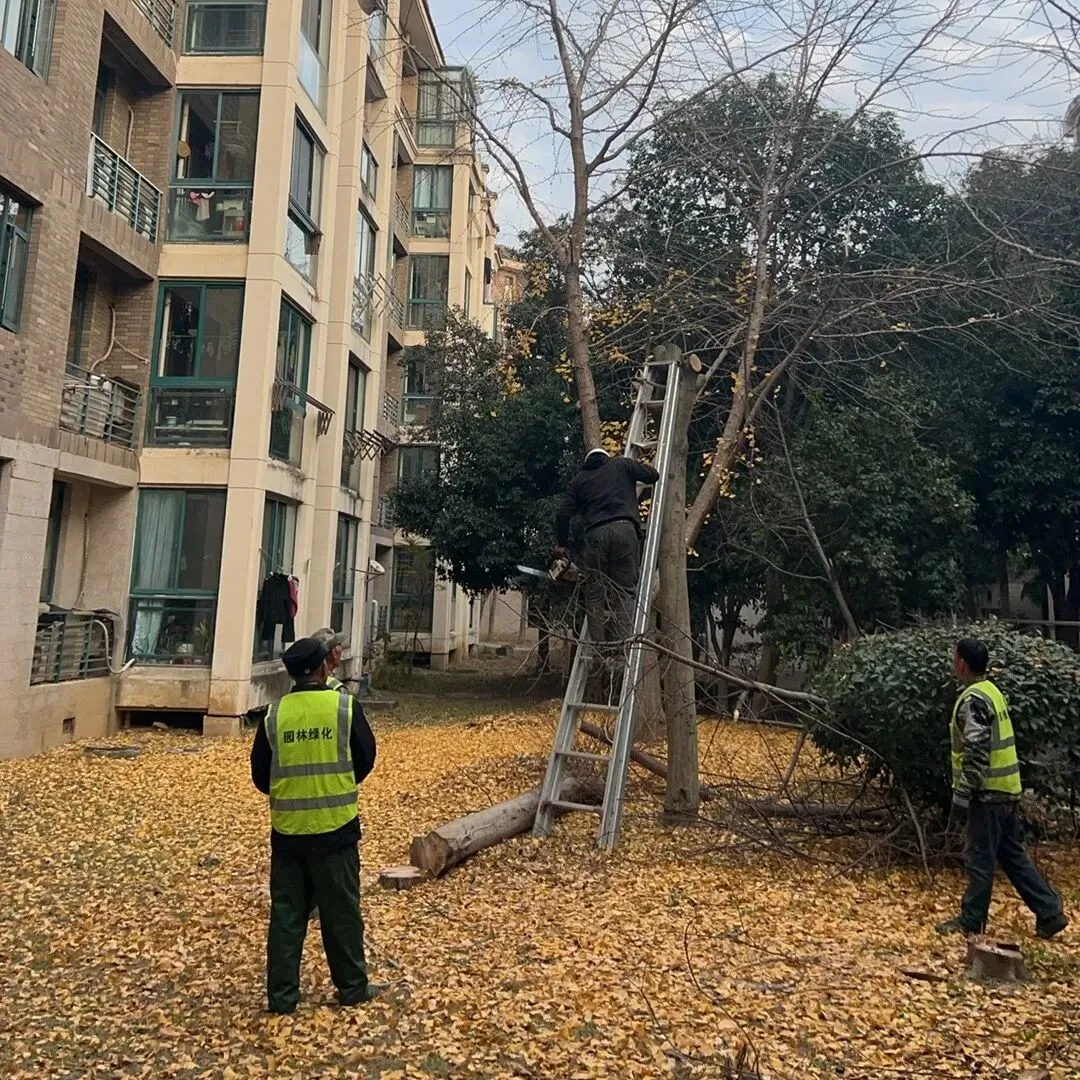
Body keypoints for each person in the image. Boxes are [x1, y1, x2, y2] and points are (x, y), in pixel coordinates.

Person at [250, 637, 383, 1014]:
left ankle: (282, 997)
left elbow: (261, 775)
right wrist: (337, 783)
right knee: (342, 913)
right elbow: (365, 757)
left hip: (289, 834)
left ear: (292, 673)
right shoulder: (344, 707)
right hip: (336, 830)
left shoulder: (274, 715)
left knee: (287, 916)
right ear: (325, 667)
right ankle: (352, 988)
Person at [936, 638, 1068, 940]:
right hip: (1007, 788)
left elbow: (977, 750)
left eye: (954, 658)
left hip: (987, 793)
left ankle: (972, 920)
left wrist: (963, 793)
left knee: (979, 858)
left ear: (962, 664)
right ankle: (1049, 912)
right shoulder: (992, 692)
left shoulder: (973, 700)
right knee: (1012, 856)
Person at [555, 448, 660, 695]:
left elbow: (562, 513)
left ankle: (599, 650)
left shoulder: (579, 480)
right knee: (625, 592)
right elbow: (653, 475)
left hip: (595, 536)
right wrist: (635, 472)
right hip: (625, 531)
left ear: (587, 461)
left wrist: (561, 544)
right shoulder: (622, 465)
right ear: (605, 456)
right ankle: (622, 652)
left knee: (594, 594)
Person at [311, 627, 349, 693]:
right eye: (339, 645)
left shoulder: (308, 680)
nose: (342, 649)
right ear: (333, 652)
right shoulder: (336, 687)